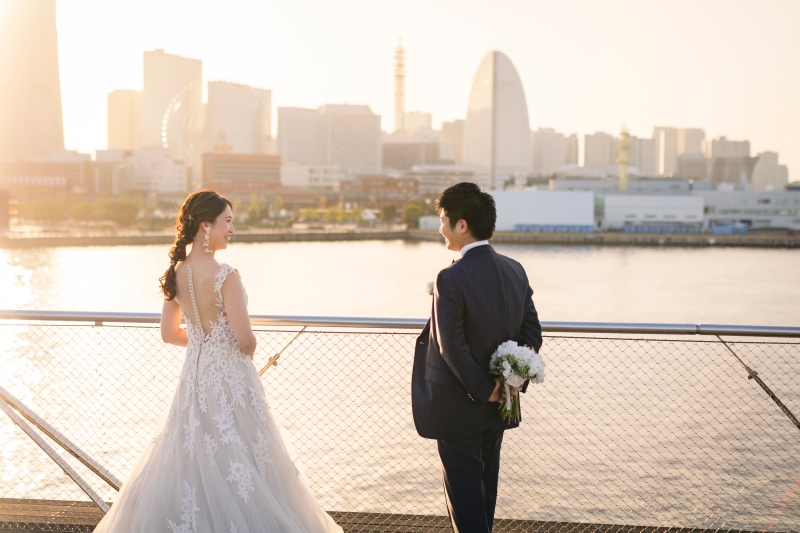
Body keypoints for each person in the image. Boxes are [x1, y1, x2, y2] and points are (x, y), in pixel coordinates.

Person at [94, 190, 341, 533]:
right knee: (244, 456)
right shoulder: (227, 275)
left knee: (191, 455)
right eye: (228, 221)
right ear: (205, 226)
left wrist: (203, 341)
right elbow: (245, 340)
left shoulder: (176, 272)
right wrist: (238, 345)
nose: (232, 229)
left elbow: (169, 333)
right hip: (231, 381)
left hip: (193, 380)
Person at [411, 182, 543, 533]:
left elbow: (451, 347)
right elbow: (532, 335)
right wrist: (511, 382)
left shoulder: (450, 277)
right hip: (500, 407)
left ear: (462, 225)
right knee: (483, 499)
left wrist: (485, 389)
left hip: (459, 408)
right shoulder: (515, 269)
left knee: (465, 506)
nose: (440, 227)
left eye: (443, 219)